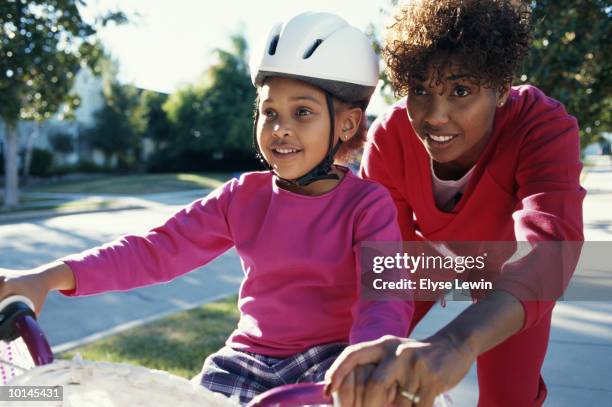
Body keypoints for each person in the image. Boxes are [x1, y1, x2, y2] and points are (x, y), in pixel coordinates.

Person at [0, 12, 413, 405]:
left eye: (302, 112)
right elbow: (155, 250)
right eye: (269, 112)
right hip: (246, 361)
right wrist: (47, 276)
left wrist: (369, 360)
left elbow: (384, 299)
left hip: (331, 360)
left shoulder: (367, 205)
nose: (280, 127)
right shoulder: (241, 197)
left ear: (346, 124)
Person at [323, 1, 585, 406]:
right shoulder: (390, 138)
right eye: (420, 90)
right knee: (359, 366)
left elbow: (552, 250)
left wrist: (457, 342)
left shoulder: (543, 126)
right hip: (429, 261)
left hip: (513, 272)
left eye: (460, 90)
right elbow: (383, 259)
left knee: (508, 398)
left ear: (499, 89)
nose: (435, 116)